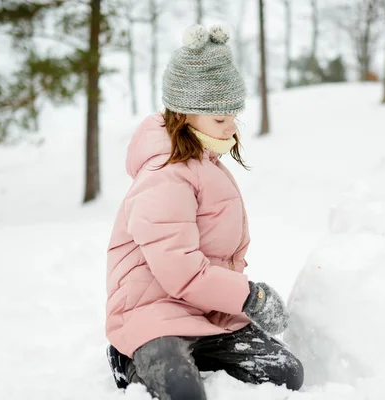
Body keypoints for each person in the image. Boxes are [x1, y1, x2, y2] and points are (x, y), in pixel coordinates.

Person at [105, 24, 304, 400]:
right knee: (182, 391)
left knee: (285, 375)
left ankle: (199, 352)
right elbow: (179, 269)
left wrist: (234, 304)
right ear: (184, 115)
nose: (231, 126)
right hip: (153, 312)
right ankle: (126, 356)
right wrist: (250, 297)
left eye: (233, 115)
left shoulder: (206, 162)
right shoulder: (163, 175)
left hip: (208, 311)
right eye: (219, 118)